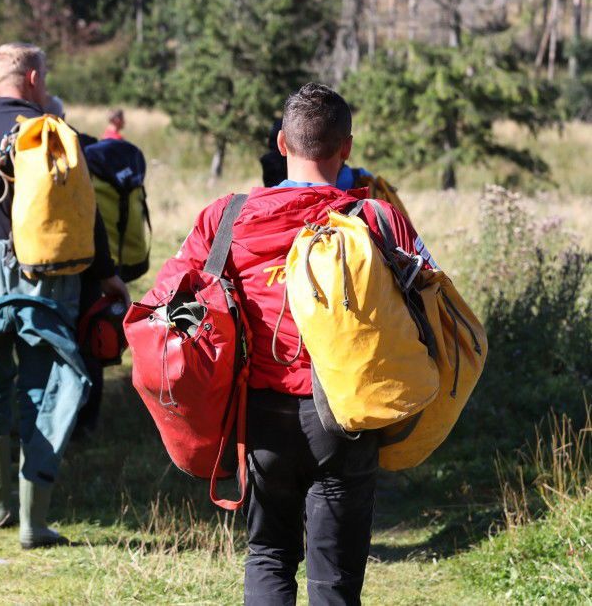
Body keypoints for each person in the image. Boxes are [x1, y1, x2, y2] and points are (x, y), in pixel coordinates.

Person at [159, 84, 436, 605]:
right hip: (346, 414)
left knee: (269, 554)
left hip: (258, 414)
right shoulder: (377, 219)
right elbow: (433, 296)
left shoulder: (223, 218)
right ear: (346, 148)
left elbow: (169, 297)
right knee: (334, 576)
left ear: (282, 143)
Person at [0, 42, 129, 549]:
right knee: (46, 391)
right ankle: (34, 524)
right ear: (33, 78)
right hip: (49, 277)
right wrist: (107, 276)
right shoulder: (61, 137)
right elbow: (87, 217)